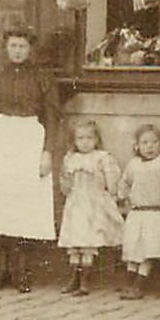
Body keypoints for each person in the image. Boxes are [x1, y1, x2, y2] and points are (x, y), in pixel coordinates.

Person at [0, 24, 61, 293]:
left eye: (22, 46)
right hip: (0, 139)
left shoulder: (42, 77)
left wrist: (48, 152)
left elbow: (52, 117)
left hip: (29, 138)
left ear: (31, 49)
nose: (17, 51)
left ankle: (21, 269)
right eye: (13, 46)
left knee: (23, 204)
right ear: (6, 48)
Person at [117, 123, 160, 299]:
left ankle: (139, 285)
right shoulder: (133, 164)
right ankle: (129, 282)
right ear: (137, 146)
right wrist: (123, 200)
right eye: (145, 142)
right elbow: (124, 183)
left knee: (150, 249)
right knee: (133, 249)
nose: (149, 147)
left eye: (154, 142)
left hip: (156, 214)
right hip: (137, 213)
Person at [56, 119, 124, 296]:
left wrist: (111, 193)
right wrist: (67, 180)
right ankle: (74, 278)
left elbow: (112, 181)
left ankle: (85, 280)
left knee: (88, 241)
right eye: (80, 138)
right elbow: (64, 185)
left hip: (93, 204)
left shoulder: (102, 158)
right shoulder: (71, 159)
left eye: (89, 138)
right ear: (74, 141)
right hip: (76, 203)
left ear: (96, 140)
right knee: (74, 241)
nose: (85, 142)